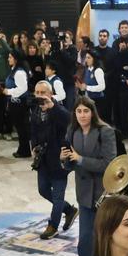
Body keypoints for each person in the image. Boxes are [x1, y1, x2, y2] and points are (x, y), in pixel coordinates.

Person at [63, 96, 119, 256]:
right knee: (85, 239)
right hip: (84, 194)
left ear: (92, 112)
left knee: (104, 237)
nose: (82, 115)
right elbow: (69, 163)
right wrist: (64, 160)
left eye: (86, 111)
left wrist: (80, 160)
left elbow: (109, 164)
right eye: (78, 111)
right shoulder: (73, 131)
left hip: (103, 193)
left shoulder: (105, 131)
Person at [30, 81, 76, 241]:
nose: (40, 96)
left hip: (59, 159)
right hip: (43, 159)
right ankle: (69, 210)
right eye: (37, 92)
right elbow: (33, 131)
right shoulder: (35, 110)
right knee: (43, 190)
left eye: (43, 92)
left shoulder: (59, 109)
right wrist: (34, 146)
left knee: (57, 196)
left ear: (50, 94)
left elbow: (70, 120)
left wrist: (53, 107)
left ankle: (53, 226)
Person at [3, 51, 34, 158]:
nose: (8, 59)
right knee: (20, 127)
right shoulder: (14, 70)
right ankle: (22, 149)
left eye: (10, 57)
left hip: (20, 104)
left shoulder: (19, 72)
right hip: (15, 103)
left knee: (22, 128)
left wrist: (9, 92)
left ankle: (25, 150)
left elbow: (23, 88)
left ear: (16, 59)